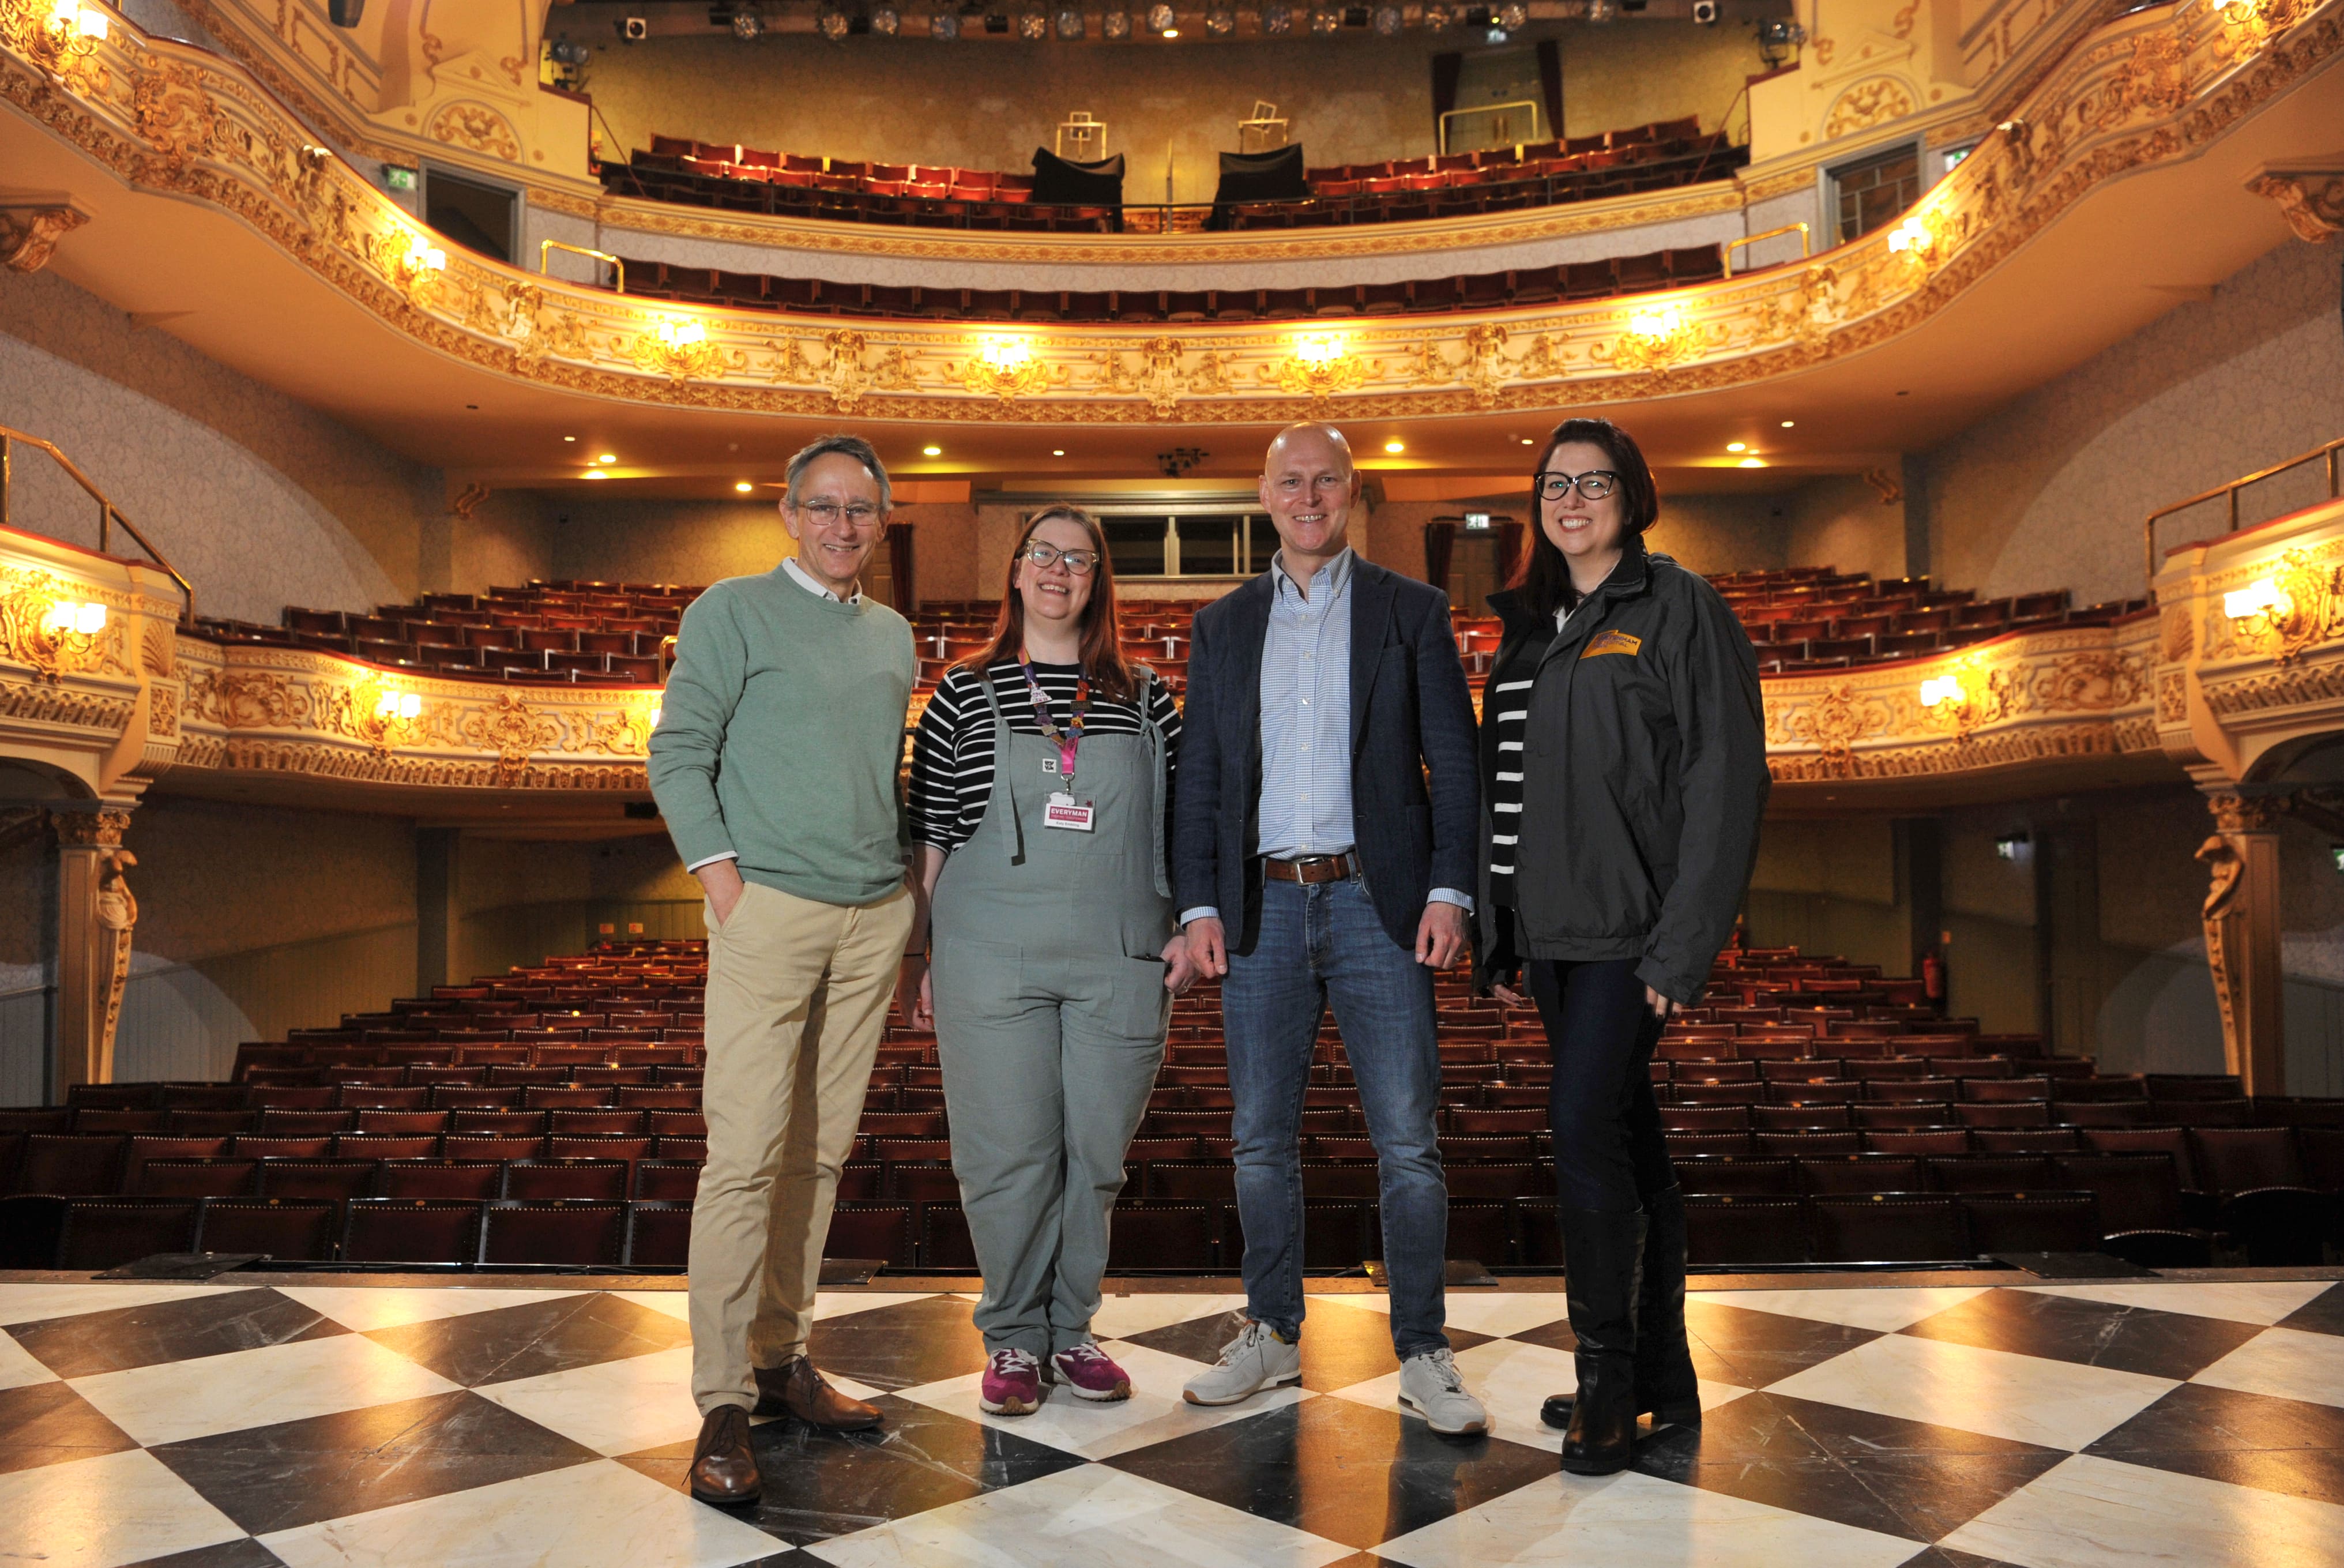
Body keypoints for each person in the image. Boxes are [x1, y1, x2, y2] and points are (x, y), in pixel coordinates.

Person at [1171, 422, 1488, 1435]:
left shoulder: (1410, 609)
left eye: (1325, 481)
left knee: (1408, 1143)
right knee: (1259, 1141)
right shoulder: (1223, 625)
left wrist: (1451, 890)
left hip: (1374, 903)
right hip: (1260, 907)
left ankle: (1424, 1352)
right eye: (1290, 482)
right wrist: (1199, 904)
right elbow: (1200, 778)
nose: (1307, 498)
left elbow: (1455, 762)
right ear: (1264, 494)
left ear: (1353, 492)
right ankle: (1270, 1332)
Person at [1474, 417, 1769, 1475]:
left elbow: (1725, 781)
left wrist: (1680, 950)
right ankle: (1663, 1378)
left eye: (1593, 483)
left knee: (1582, 1129)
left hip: (1627, 933)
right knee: (1626, 1135)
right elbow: (1507, 783)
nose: (1571, 501)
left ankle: (1607, 1380)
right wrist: (1501, 932)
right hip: (1550, 930)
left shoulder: (1677, 605)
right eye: (1554, 484)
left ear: (1631, 495)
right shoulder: (1528, 622)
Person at [647, 434, 920, 1506]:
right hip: (768, 909)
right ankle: (721, 1403)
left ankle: (780, 1360)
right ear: (789, 513)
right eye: (823, 506)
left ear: (881, 523)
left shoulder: (892, 634)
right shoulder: (730, 611)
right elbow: (678, 753)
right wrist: (726, 886)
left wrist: (902, 900)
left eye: (860, 510)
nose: (841, 525)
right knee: (745, 1158)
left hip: (872, 916)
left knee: (818, 1157)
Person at [902, 504, 1197, 1416]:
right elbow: (932, 829)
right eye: (1042, 554)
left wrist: (1190, 922)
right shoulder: (962, 690)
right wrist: (920, 951)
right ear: (1016, 570)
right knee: (1006, 1156)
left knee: (1094, 1155)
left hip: (1121, 952)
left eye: (1078, 558)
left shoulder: (1146, 697)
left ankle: (1072, 1329)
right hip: (988, 953)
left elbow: (1187, 824)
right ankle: (1013, 1338)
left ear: (1099, 578)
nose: (1058, 571)